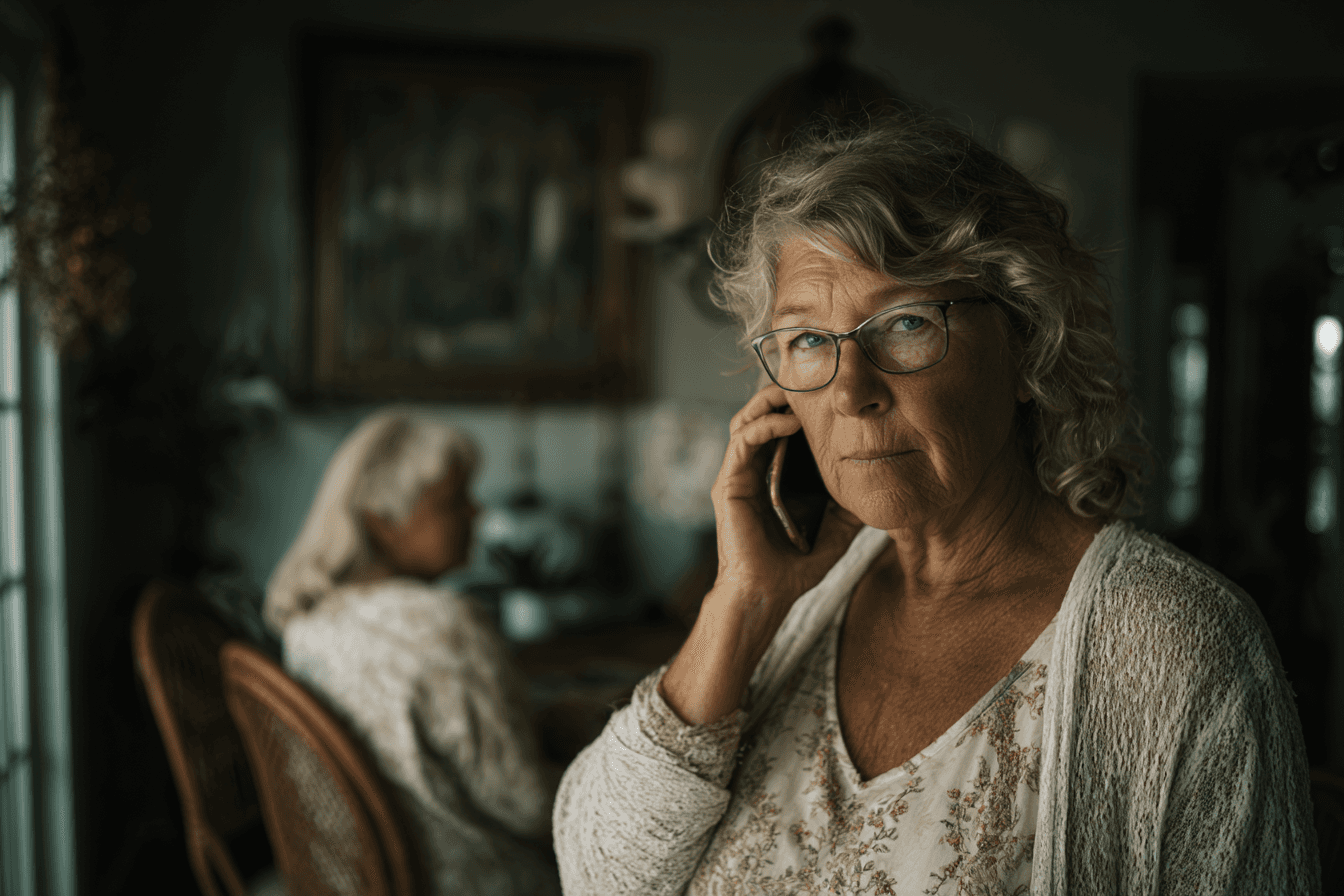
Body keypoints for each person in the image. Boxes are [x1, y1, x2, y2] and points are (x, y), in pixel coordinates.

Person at [553, 114, 1320, 894]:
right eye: (809, 340)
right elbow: (598, 875)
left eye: (907, 323)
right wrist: (742, 601)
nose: (851, 391)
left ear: (1027, 342)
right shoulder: (798, 600)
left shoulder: (1179, 646)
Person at [264, 409, 559, 896]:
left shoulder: (308, 622)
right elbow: (527, 805)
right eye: (454, 501)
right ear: (383, 520)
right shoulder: (443, 622)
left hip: (359, 879)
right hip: (472, 881)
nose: (477, 512)